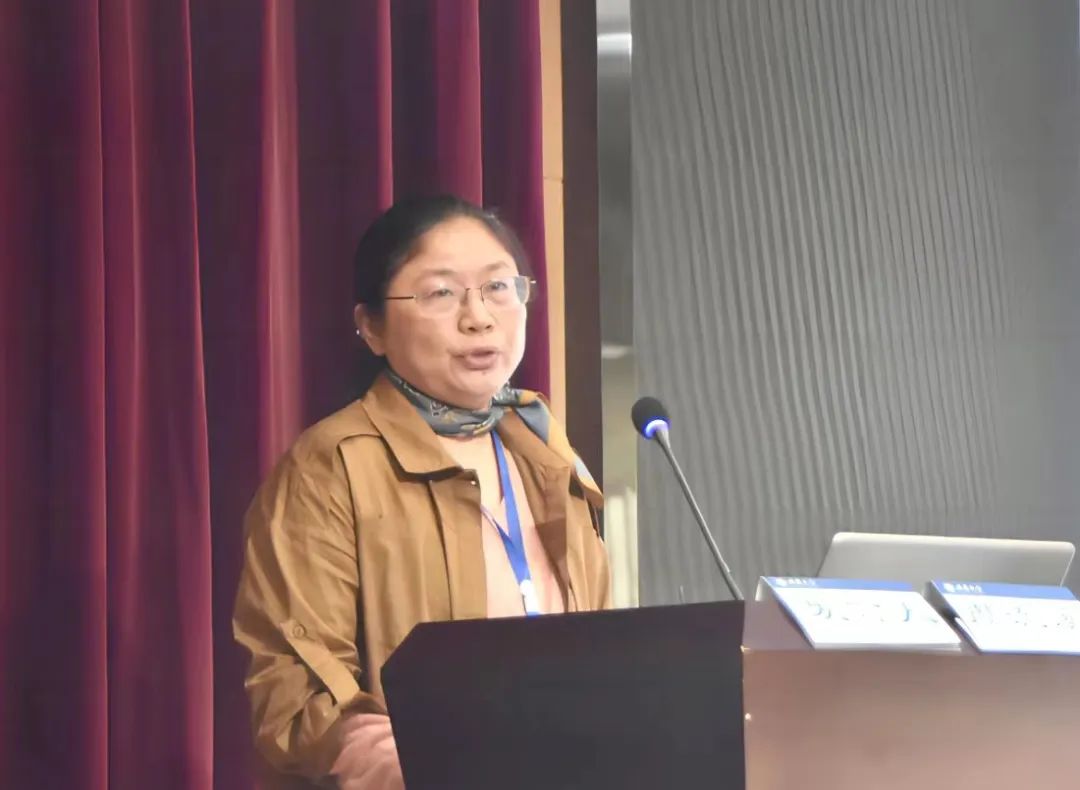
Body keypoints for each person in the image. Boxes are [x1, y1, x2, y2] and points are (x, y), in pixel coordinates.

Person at [233, 194, 612, 789]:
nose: (479, 317)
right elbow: (298, 697)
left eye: (499, 287)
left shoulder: (546, 451)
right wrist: (445, 768)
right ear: (371, 327)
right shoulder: (330, 467)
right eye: (441, 293)